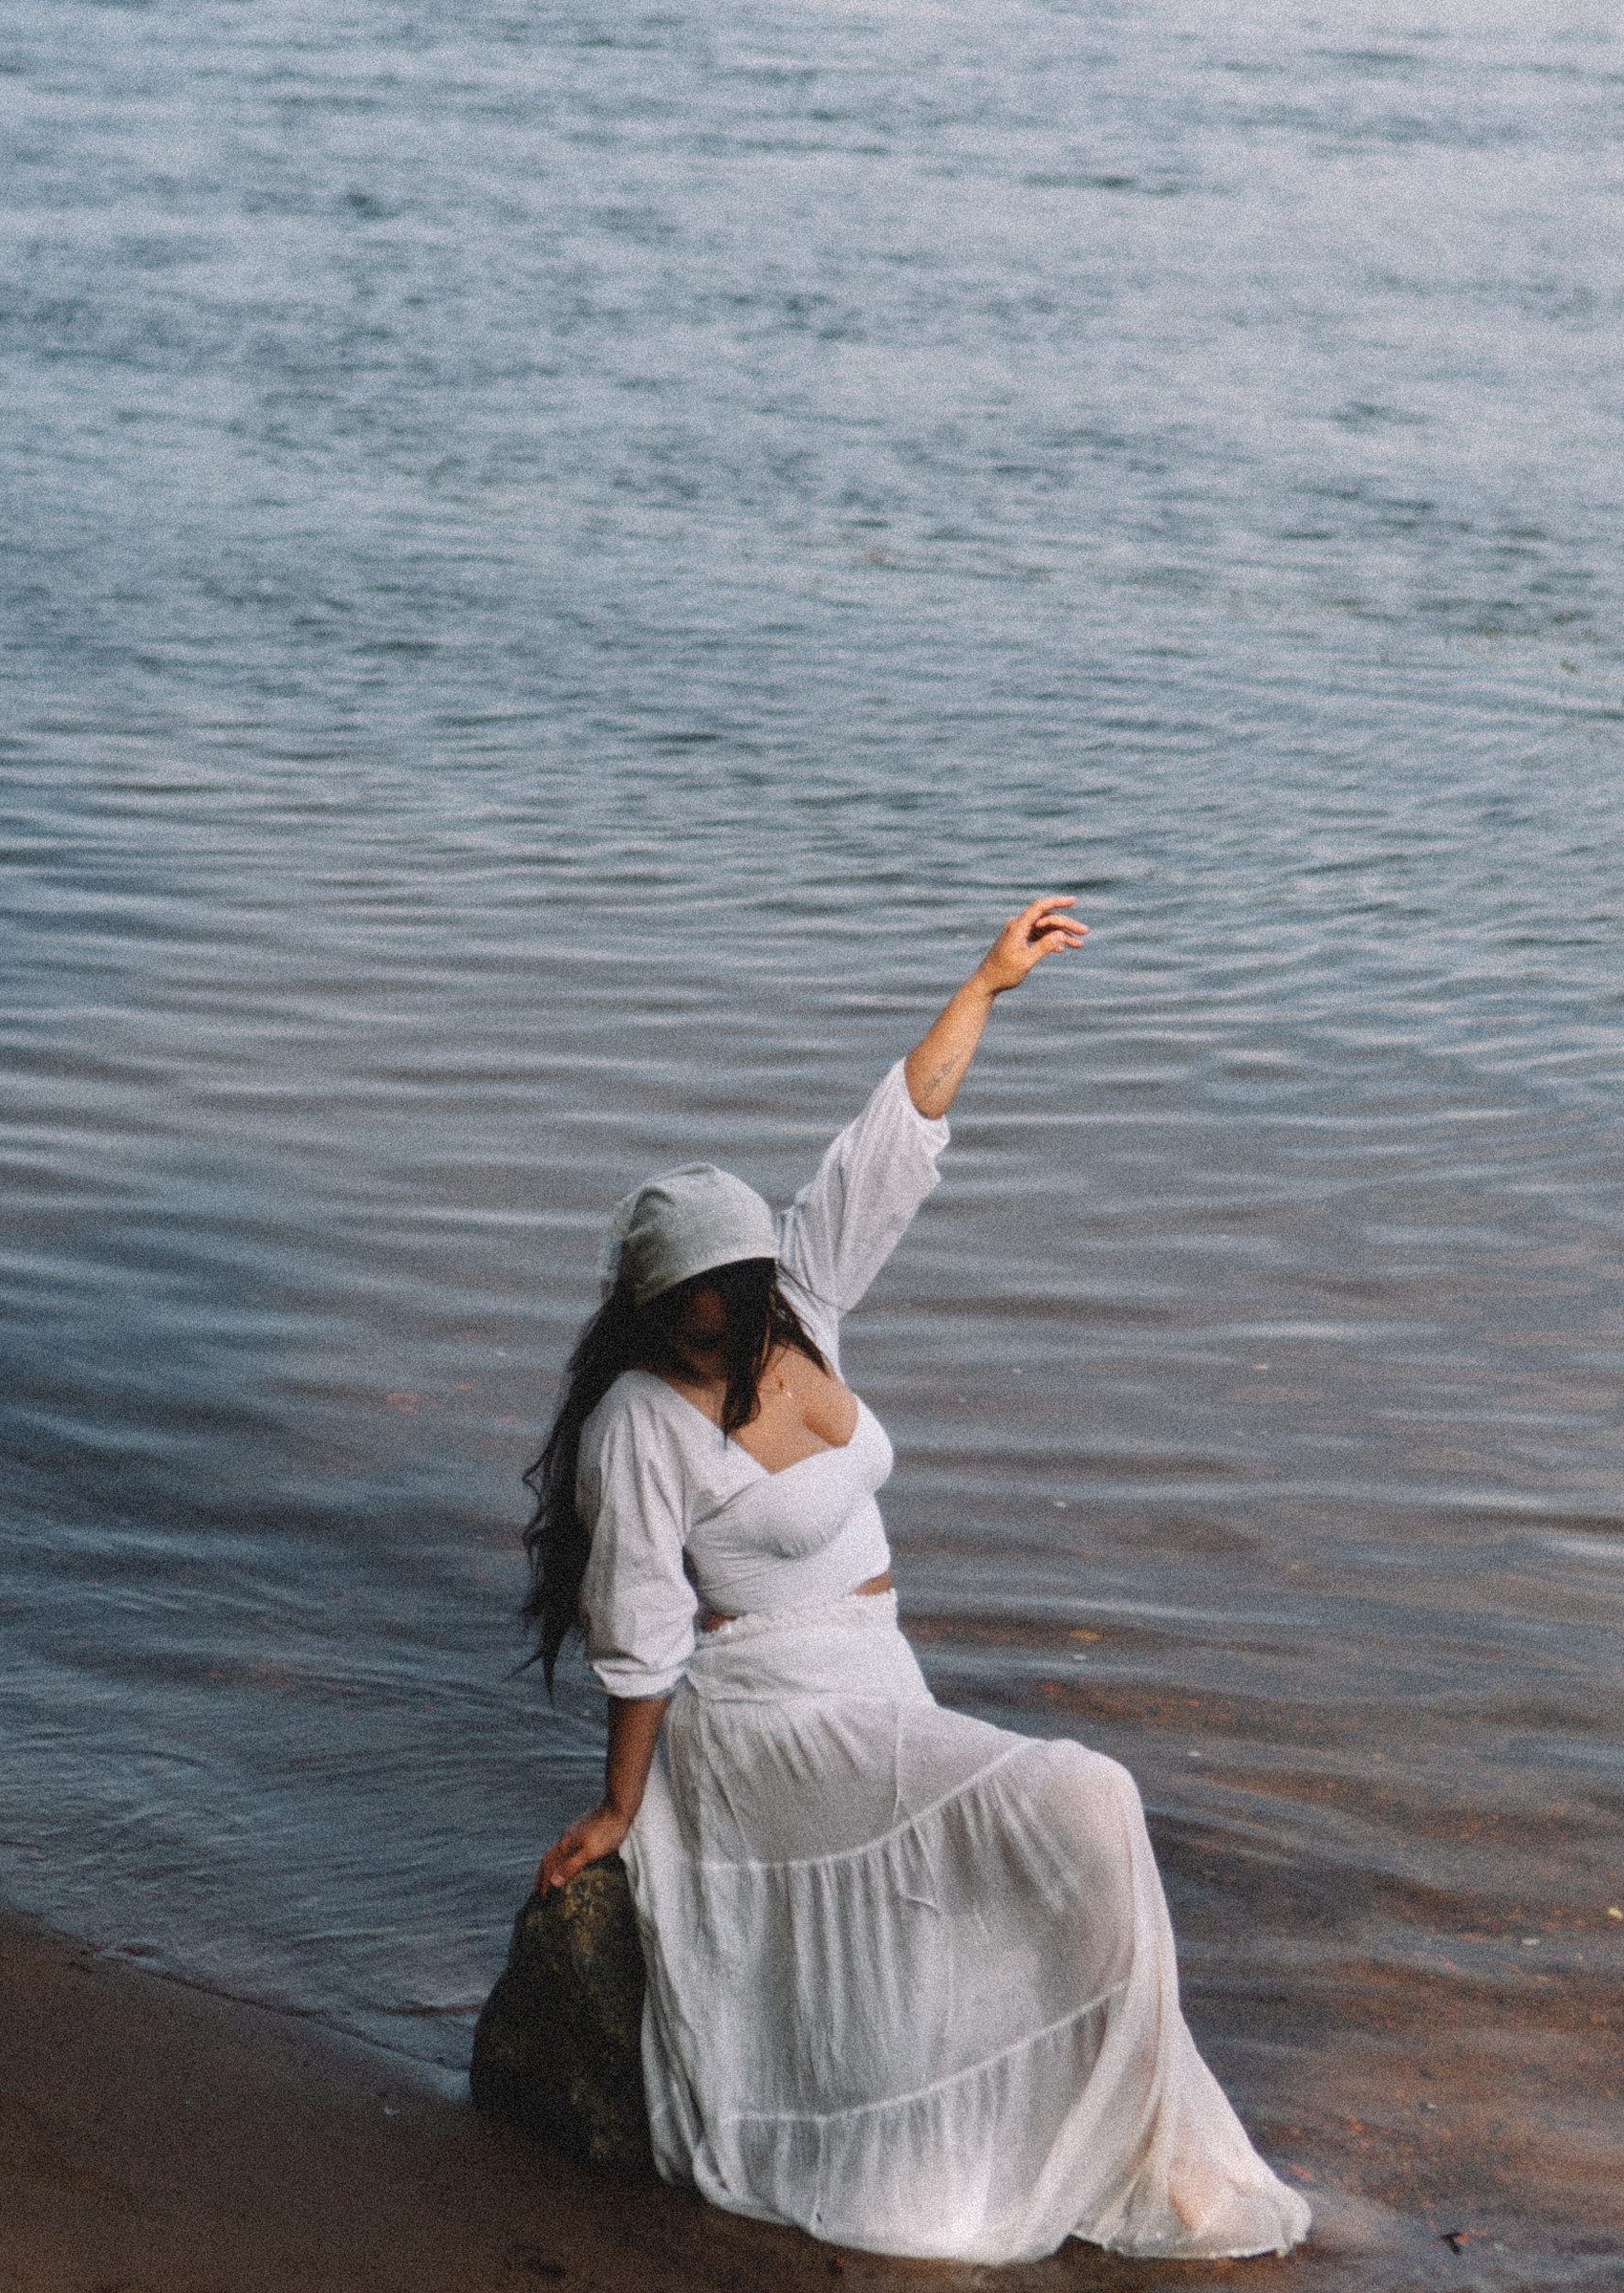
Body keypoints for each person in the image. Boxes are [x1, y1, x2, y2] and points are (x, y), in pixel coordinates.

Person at [519, 897, 1311, 2265]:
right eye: (695, 1307)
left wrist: (989, 984)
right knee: (1089, 1796)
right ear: (653, 1312)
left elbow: (891, 1142)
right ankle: (1116, 2148)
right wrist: (620, 1806)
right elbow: (641, 1636)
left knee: (1057, 1855)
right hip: (772, 1715)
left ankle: (1158, 2146)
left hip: (879, 1674)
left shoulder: (800, 1308)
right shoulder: (639, 1424)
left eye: (737, 1288)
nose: (725, 1319)